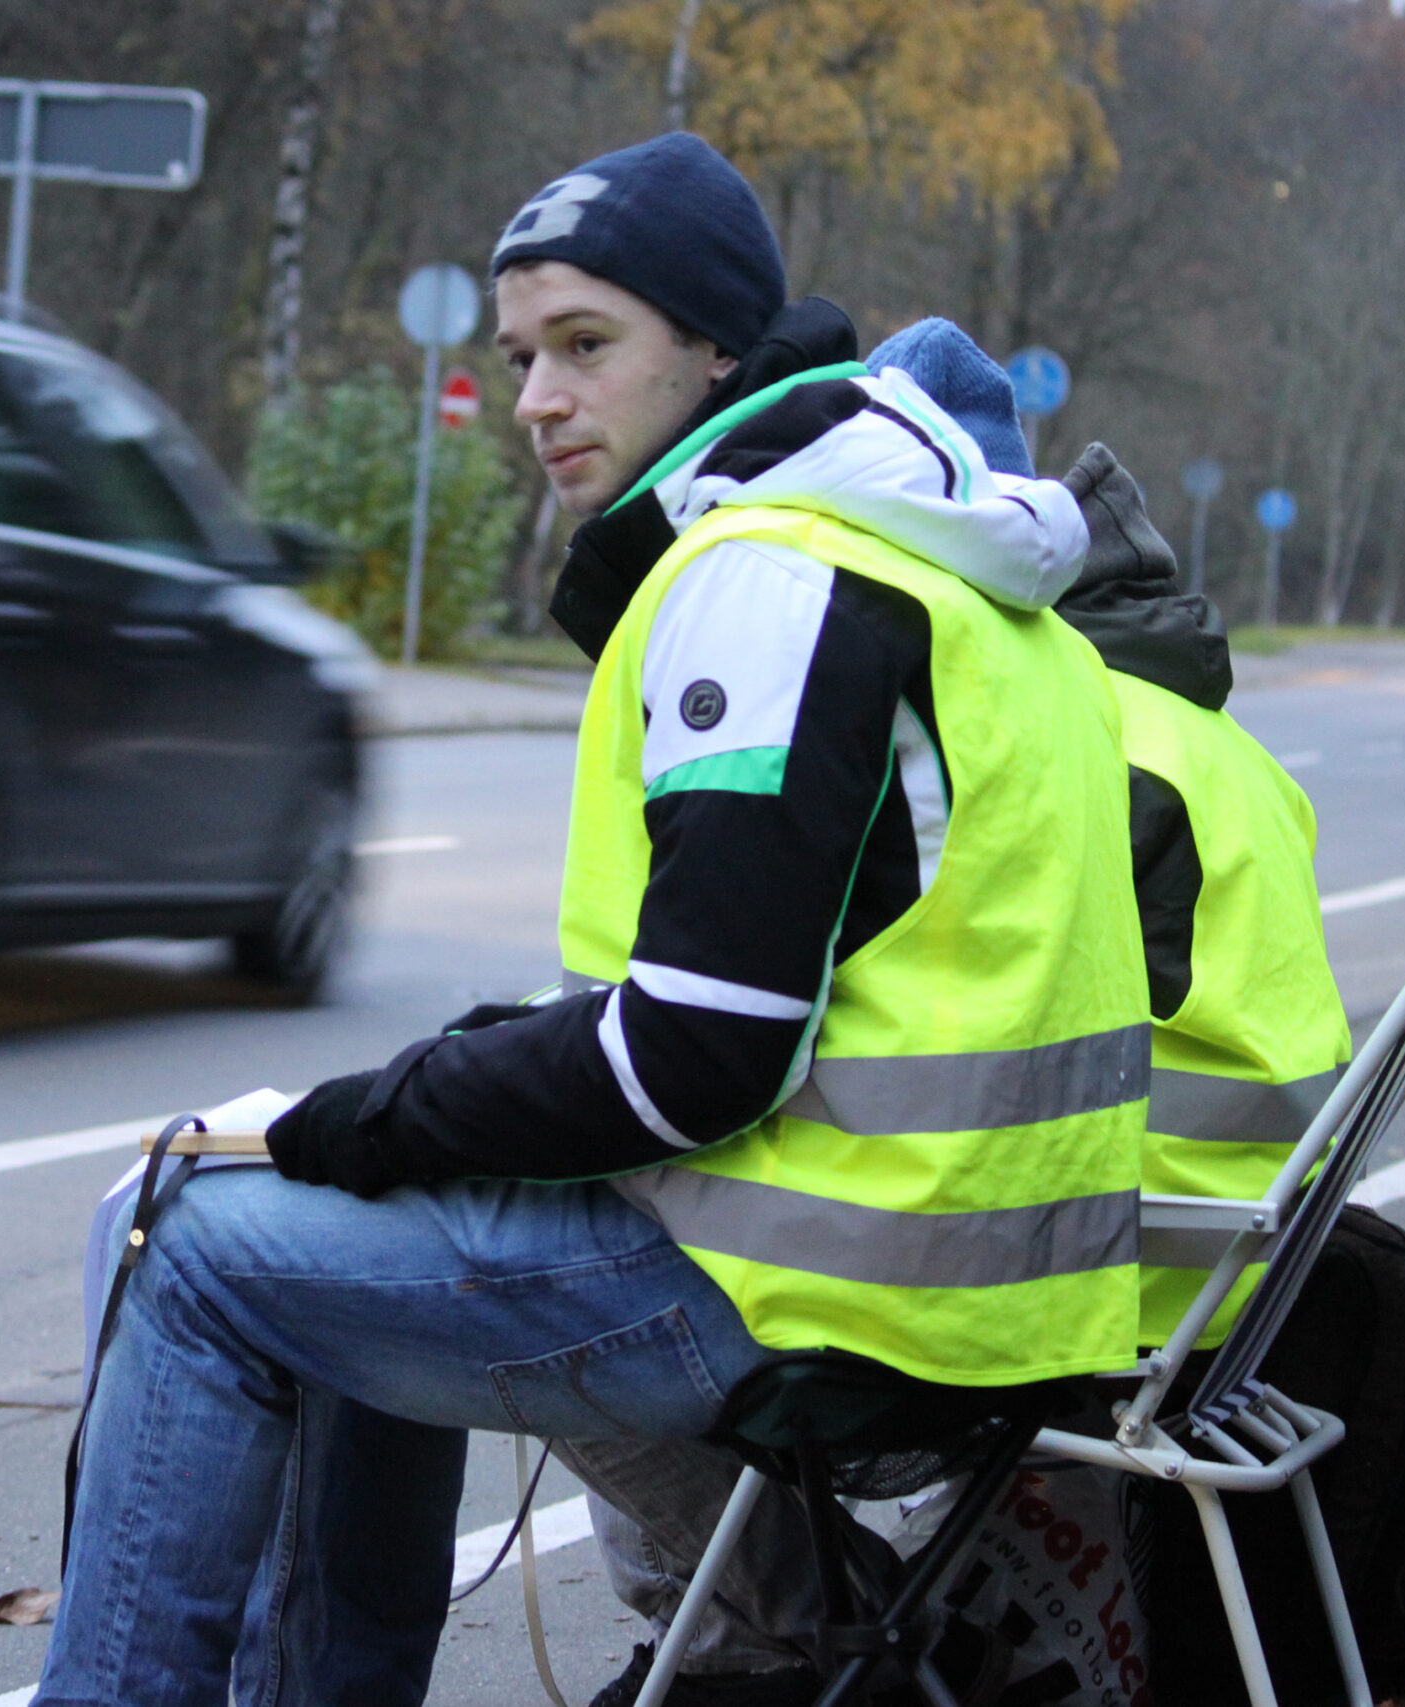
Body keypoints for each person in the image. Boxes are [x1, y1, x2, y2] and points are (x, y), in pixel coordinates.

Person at [35, 135, 1149, 1707]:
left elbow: (702, 1057)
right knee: (335, 1217)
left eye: (586, 345)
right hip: (994, 1295)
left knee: (183, 1240)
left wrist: (395, 1113)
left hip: (810, 1296)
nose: (539, 400)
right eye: (519, 359)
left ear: (715, 349)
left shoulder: (767, 580)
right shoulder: (960, 577)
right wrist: (428, 1113)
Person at [572, 321, 1353, 1706]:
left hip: (1097, 1261)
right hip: (1233, 1258)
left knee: (598, 1238)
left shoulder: (1039, 730)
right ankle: (807, 1639)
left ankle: (774, 1645)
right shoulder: (1203, 738)